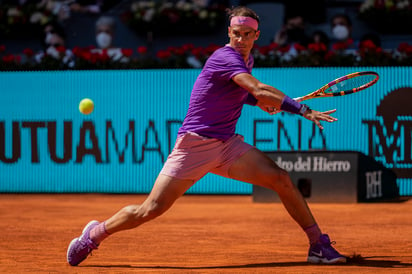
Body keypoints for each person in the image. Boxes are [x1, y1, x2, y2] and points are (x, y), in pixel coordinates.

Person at [66, 6, 347, 266]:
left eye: (247, 34)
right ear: (229, 32)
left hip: (226, 145)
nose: (241, 39)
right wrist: (301, 109)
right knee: (150, 209)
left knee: (281, 178)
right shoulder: (224, 56)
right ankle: (93, 235)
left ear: (256, 35)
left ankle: (317, 245)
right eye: (237, 34)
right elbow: (258, 89)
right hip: (194, 145)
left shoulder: (246, 59)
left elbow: (243, 94)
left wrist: (258, 102)